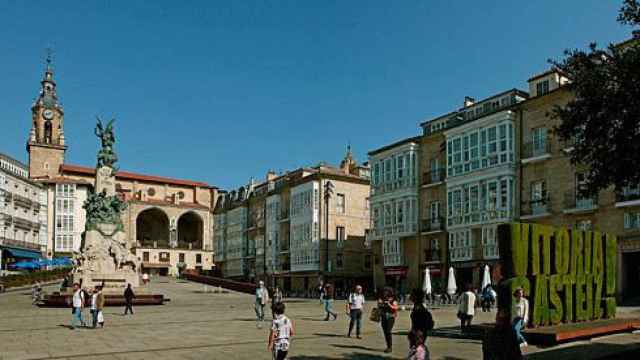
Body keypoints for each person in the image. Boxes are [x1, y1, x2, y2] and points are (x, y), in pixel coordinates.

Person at [377, 287, 399, 353]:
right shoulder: (381, 299)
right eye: (384, 292)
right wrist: (379, 303)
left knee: (388, 331)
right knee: (385, 332)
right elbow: (379, 307)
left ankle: (390, 347)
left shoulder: (393, 300)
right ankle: (388, 346)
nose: (384, 293)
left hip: (390, 317)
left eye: (386, 292)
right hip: (383, 317)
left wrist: (389, 304)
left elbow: (396, 307)